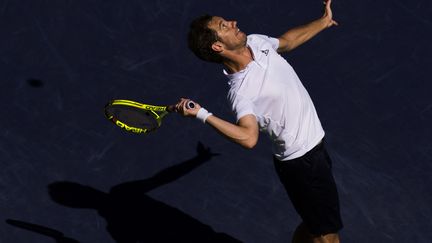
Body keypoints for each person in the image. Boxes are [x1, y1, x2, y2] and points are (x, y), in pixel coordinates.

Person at [176, 0, 343, 242]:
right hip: (302, 163)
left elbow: (287, 41)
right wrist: (202, 114)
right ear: (218, 46)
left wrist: (323, 22)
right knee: (327, 236)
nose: (233, 22)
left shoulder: (256, 41)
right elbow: (249, 137)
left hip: (315, 147)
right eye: (224, 25)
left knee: (313, 225)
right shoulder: (241, 92)